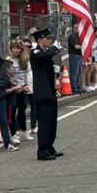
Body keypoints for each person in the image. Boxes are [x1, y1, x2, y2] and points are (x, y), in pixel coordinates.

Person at [29, 28, 63, 159]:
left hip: (50, 89)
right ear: (40, 40)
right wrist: (54, 49)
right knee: (44, 122)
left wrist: (56, 71)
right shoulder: (36, 51)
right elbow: (44, 56)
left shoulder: (45, 52)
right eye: (47, 39)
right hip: (42, 91)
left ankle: (49, 146)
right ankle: (42, 150)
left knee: (51, 121)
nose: (50, 41)